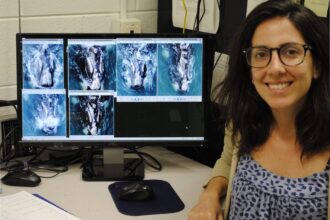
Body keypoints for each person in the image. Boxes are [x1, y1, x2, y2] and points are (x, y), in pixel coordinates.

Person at [188, 1, 330, 219]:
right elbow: (227, 162)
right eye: (261, 54)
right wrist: (211, 194)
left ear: (317, 65)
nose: (274, 68)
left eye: (290, 52)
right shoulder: (243, 121)